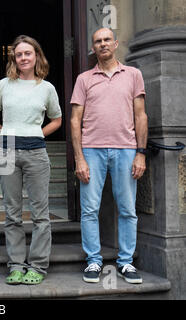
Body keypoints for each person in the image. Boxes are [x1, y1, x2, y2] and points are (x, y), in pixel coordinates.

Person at [70, 28, 148, 285]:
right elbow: (75, 120)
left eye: (106, 40)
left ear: (115, 43)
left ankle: (126, 262)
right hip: (91, 150)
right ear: (93, 48)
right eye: (97, 41)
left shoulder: (133, 75)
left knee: (127, 209)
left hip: (126, 149)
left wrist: (141, 153)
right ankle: (93, 260)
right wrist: (79, 158)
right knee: (89, 209)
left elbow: (140, 116)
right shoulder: (84, 79)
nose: (102, 44)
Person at [0, 35, 62, 285]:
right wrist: (5, 133)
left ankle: (37, 266)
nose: (23, 58)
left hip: (36, 151)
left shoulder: (46, 88)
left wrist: (36, 133)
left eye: (28, 53)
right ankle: (15, 265)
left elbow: (57, 120)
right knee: (12, 213)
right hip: (7, 150)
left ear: (36, 56)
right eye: (19, 54)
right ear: (14, 58)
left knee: (40, 214)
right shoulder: (3, 85)